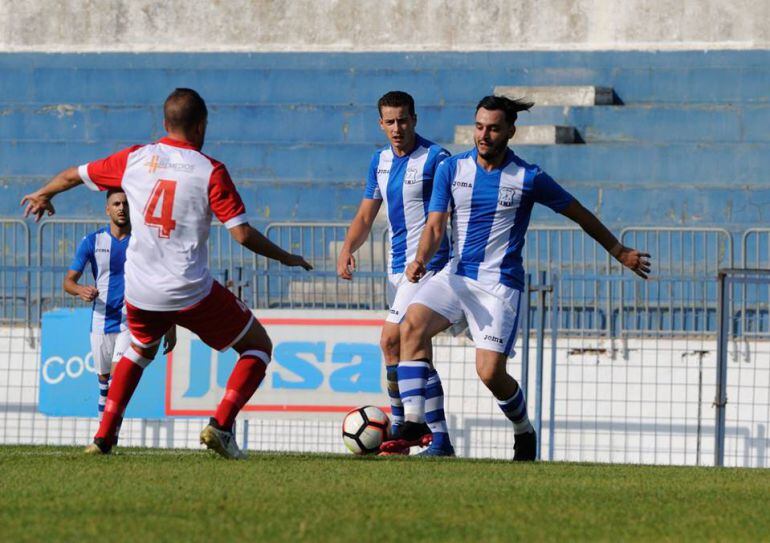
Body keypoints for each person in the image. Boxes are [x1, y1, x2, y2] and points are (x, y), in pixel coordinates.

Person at [22, 88, 312, 459]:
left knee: (139, 350)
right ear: (202, 125)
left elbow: (74, 175)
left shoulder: (135, 159)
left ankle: (103, 437)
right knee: (257, 347)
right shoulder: (211, 170)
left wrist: (44, 193)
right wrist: (286, 257)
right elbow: (241, 234)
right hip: (190, 291)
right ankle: (221, 426)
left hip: (141, 292)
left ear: (165, 123)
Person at [399, 95, 652, 461]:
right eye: (479, 126)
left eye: (493, 128)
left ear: (510, 131)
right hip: (456, 276)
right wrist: (421, 258)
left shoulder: (528, 177)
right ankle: (414, 422)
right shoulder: (452, 169)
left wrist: (619, 251)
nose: (484, 135)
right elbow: (436, 224)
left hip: (498, 286)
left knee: (489, 373)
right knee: (411, 326)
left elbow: (579, 213)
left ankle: (523, 429)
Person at [336, 91, 454, 456]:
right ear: (381, 124)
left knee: (391, 339)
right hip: (398, 271)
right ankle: (438, 438)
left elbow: (444, 217)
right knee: (414, 354)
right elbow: (366, 215)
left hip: (431, 267)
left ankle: (403, 428)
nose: (397, 128)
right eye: (390, 121)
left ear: (415, 119)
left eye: (403, 120)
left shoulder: (436, 159)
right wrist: (347, 247)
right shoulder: (380, 161)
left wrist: (426, 255)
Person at [64, 189, 175, 433]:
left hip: (131, 321)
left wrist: (170, 324)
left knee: (116, 382)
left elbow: (163, 284)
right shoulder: (92, 241)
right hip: (101, 320)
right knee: (104, 382)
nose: (121, 208)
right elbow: (68, 281)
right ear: (108, 209)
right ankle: (106, 431)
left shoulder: (144, 243)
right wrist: (80, 289)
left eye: (125, 203)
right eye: (116, 203)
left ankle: (106, 435)